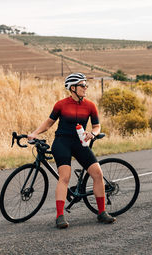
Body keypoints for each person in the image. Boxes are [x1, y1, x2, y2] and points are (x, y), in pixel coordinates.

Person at [28, 72, 116, 229]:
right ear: (73, 88)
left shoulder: (90, 105)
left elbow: (96, 126)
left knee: (97, 174)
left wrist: (93, 134)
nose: (85, 88)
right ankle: (60, 216)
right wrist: (34, 133)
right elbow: (49, 123)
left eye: (85, 85)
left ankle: (102, 212)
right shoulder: (61, 105)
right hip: (62, 142)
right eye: (83, 85)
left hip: (81, 143)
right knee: (65, 177)